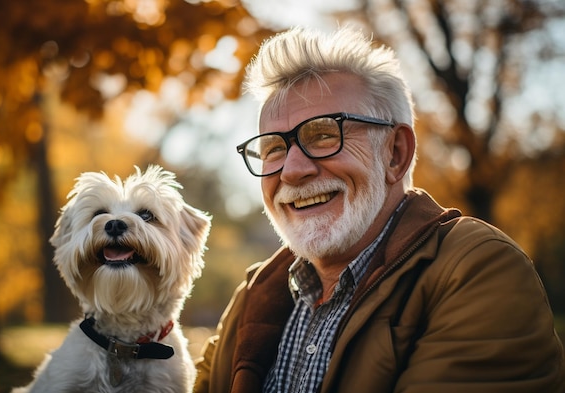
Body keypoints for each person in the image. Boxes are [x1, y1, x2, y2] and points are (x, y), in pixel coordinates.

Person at [194, 25, 565, 393]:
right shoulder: (254, 294)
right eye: (274, 147)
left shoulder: (479, 268)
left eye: (323, 134)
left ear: (395, 153)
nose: (292, 170)